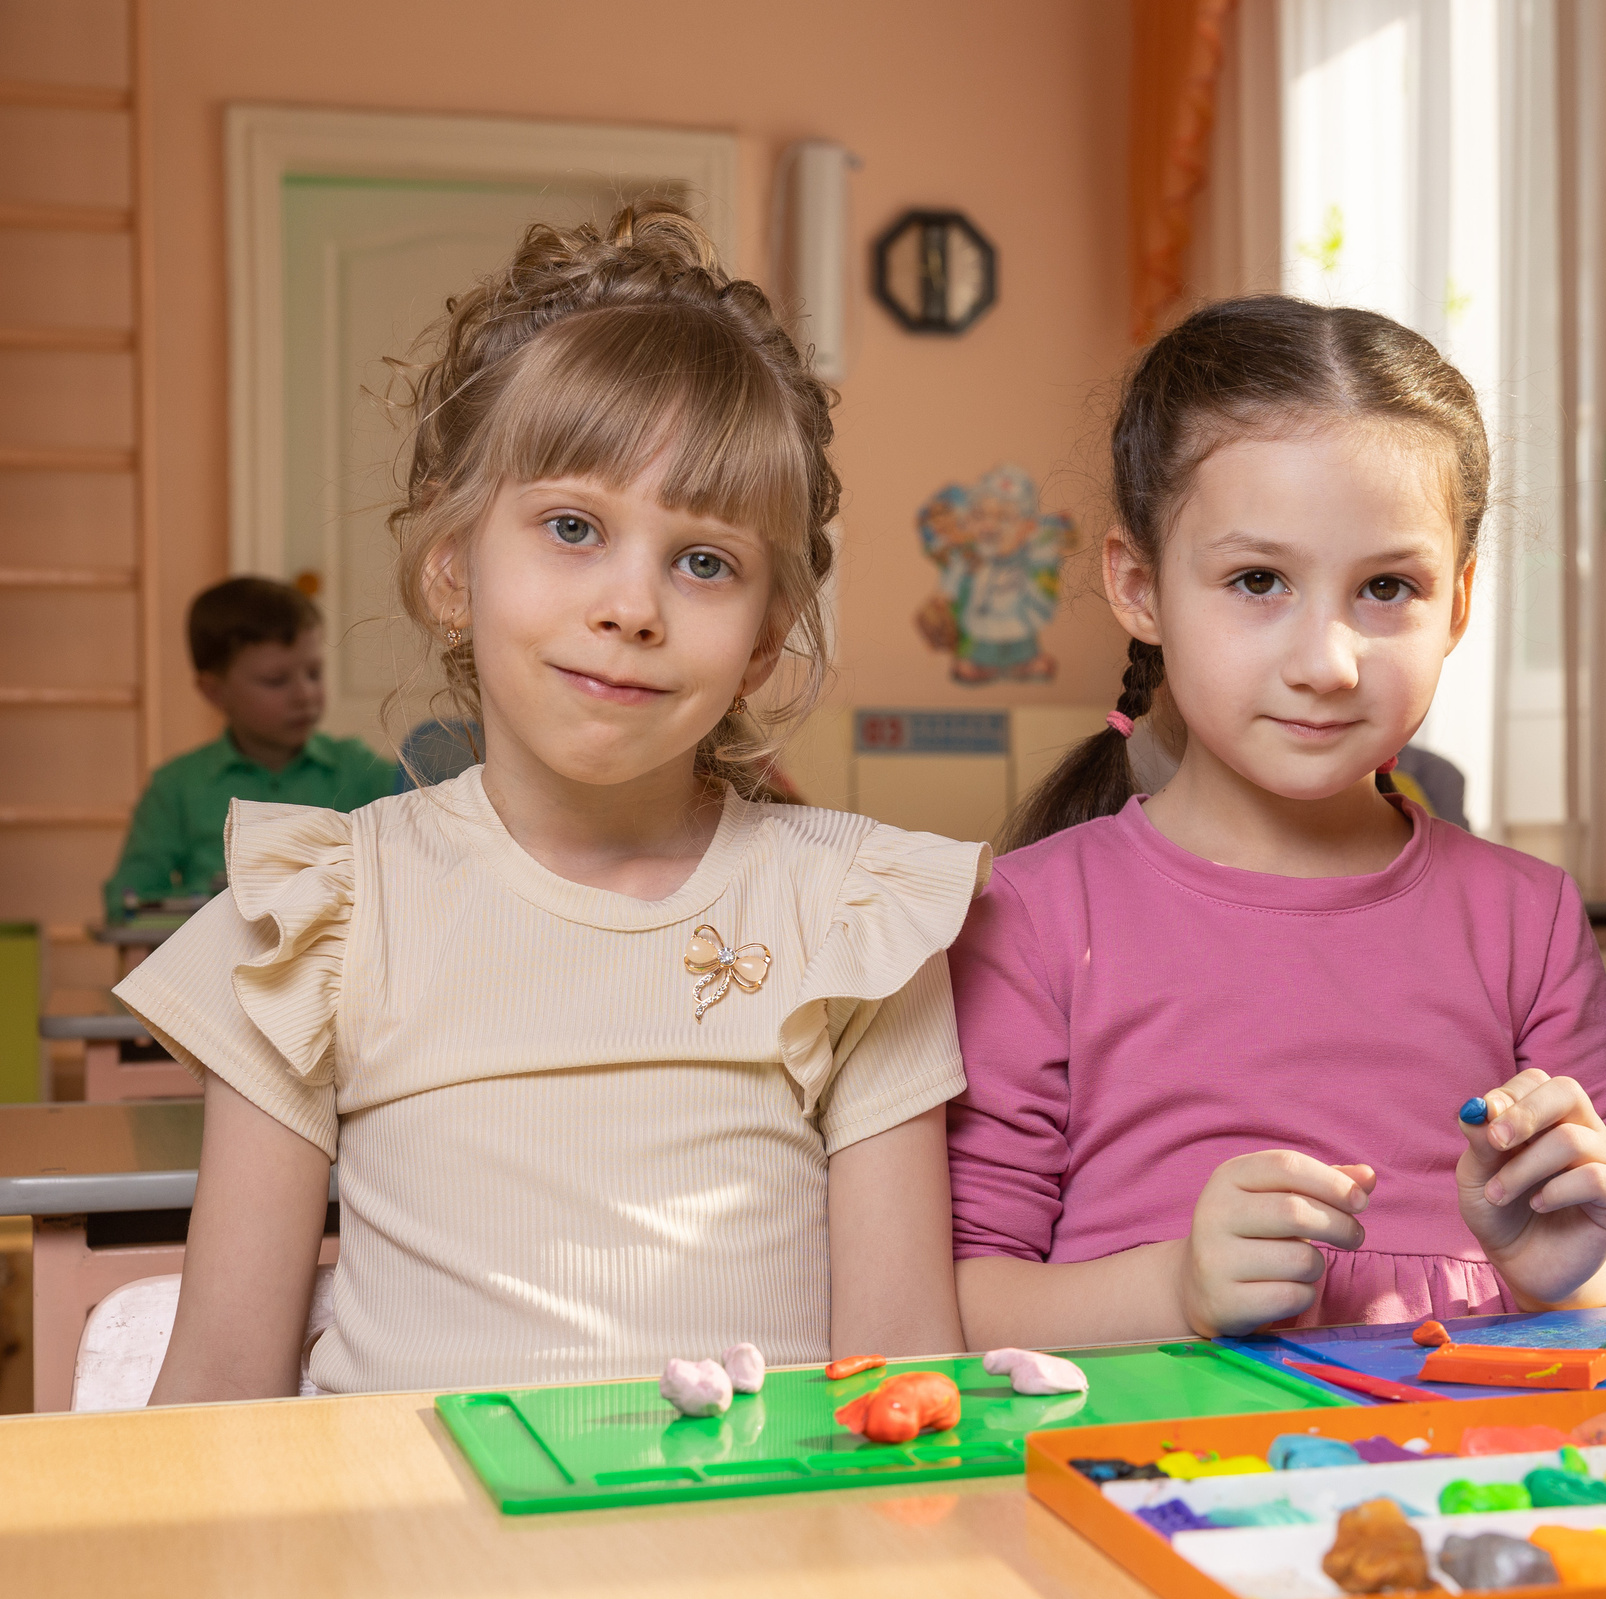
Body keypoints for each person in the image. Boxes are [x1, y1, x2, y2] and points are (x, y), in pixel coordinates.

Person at [120, 205, 984, 1399]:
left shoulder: (854, 915)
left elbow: (903, 1383)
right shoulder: (328, 910)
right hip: (404, 1564)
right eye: (573, 527)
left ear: (764, 636)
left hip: (751, 1563)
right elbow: (219, 1381)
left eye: (704, 561)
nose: (634, 605)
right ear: (451, 566)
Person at [944, 296, 1606, 1347]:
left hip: (1470, 1472)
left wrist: (1565, 1276)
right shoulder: (1029, 916)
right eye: (1257, 581)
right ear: (1138, 586)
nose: (1327, 663)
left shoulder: (1528, 915)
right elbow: (962, 1310)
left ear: (1458, 605)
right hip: (1158, 1484)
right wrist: (1176, 1293)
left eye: (1387, 587)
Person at [103, 578, 398, 917]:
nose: (304, 695)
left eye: (314, 673)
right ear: (214, 691)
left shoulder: (364, 772)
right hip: (215, 966)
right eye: (276, 680)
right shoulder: (175, 788)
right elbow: (126, 902)